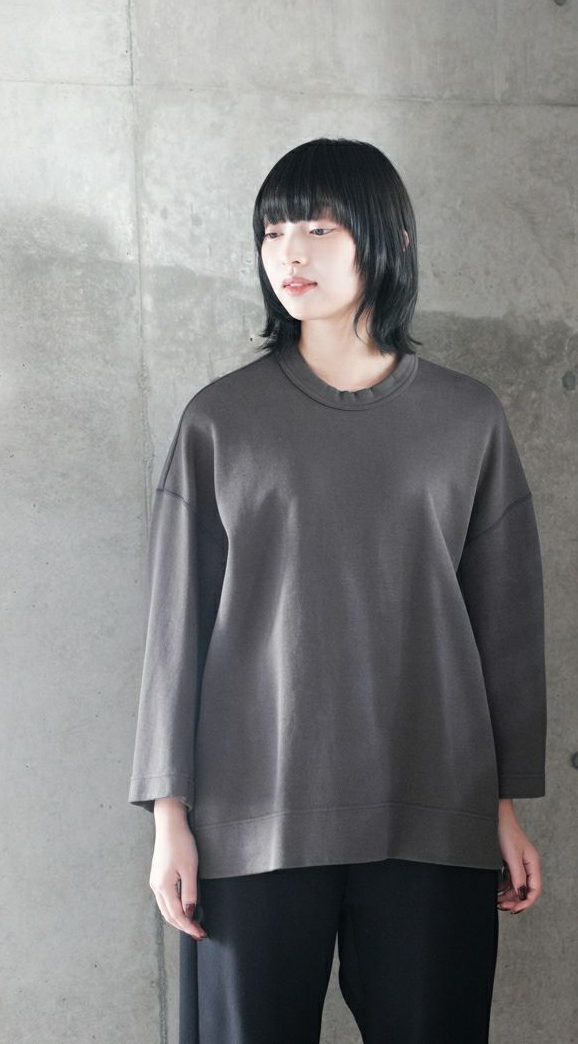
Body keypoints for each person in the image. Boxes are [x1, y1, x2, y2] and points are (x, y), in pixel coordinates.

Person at [128, 137, 547, 1044]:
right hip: (252, 819)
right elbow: (174, 630)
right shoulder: (220, 421)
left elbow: (503, 621)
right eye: (273, 230)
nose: (290, 252)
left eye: (319, 228)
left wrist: (502, 807)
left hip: (432, 810)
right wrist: (170, 819)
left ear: (387, 239)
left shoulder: (467, 419)